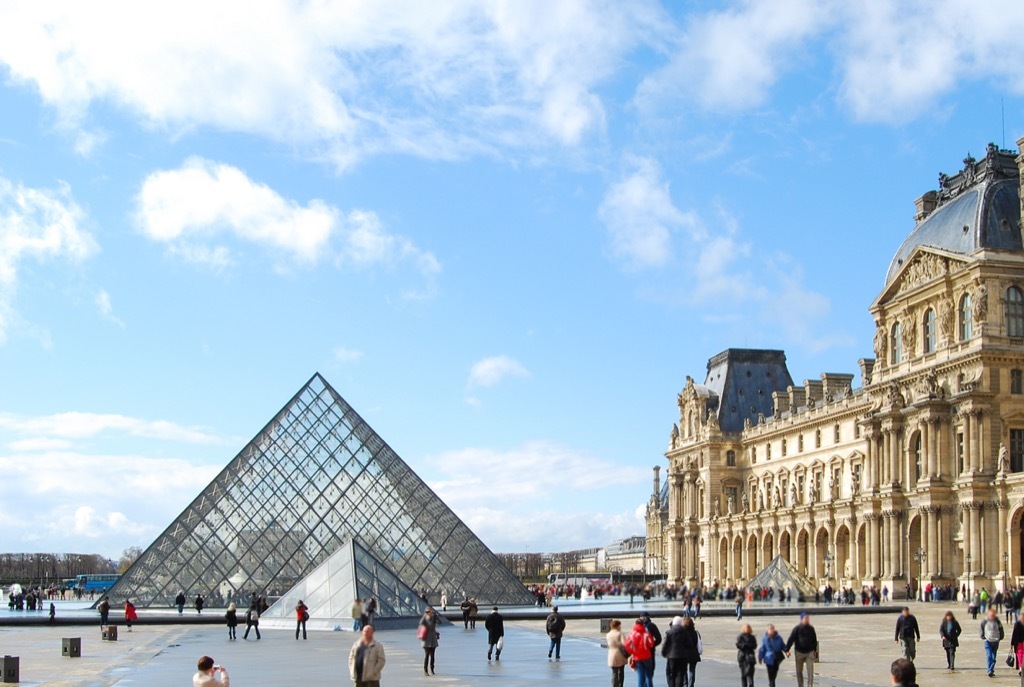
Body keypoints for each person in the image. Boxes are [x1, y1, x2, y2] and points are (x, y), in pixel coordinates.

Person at [785, 612, 818, 687]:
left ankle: (810, 685)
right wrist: (787, 650)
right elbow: (791, 639)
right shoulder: (797, 629)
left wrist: (815, 650)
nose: (807, 620)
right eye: (806, 618)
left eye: (808, 618)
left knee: (810, 671)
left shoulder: (811, 628)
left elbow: (814, 640)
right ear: (802, 619)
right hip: (799, 652)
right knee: (799, 671)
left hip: (809, 652)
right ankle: (801, 685)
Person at [624, 618, 656, 687]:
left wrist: (632, 652)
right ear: (643, 624)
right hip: (647, 656)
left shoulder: (632, 634)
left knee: (640, 676)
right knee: (648, 676)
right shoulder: (646, 633)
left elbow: (626, 645)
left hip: (637, 657)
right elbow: (651, 644)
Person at [980, 606, 1005, 677]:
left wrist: (1001, 638)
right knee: (989, 655)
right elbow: (981, 628)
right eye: (991, 615)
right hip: (987, 641)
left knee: (993, 657)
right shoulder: (985, 621)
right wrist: (982, 636)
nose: (992, 616)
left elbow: (1001, 630)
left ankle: (991, 669)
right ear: (988, 615)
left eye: (993, 615)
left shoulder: (998, 621)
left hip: (996, 641)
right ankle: (989, 670)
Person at [607, 619, 629, 687]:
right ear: (617, 626)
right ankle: (620, 685)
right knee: (621, 671)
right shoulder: (620, 633)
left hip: (611, 654)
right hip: (620, 654)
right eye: (620, 625)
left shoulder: (608, 634)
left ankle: (614, 685)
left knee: (614, 673)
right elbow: (625, 643)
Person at [419, 607, 439, 676]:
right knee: (427, 655)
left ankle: (432, 668)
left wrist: (436, 616)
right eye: (426, 612)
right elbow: (421, 623)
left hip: (433, 639)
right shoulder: (425, 618)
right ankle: (425, 670)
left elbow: (440, 622)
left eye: (429, 612)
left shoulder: (434, 618)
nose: (428, 613)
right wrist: (425, 616)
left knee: (432, 655)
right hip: (426, 639)